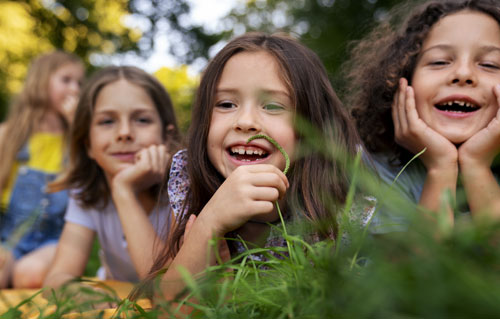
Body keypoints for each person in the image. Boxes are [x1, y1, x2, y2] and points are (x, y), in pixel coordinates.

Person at [145, 32, 375, 301]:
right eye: (226, 104)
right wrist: (208, 225)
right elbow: (167, 309)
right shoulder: (191, 184)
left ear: (314, 127)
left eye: (274, 105)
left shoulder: (340, 206)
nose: (245, 121)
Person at [343, 0, 500, 231]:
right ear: (400, 79)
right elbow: (413, 267)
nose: (463, 73)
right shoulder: (373, 171)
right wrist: (441, 167)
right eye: (439, 61)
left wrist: (476, 165)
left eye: (490, 64)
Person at [43, 66, 181, 296]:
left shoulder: (183, 190)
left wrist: (124, 191)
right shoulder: (87, 194)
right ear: (87, 143)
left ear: (167, 137)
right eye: (107, 122)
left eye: (142, 120)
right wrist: (81, 294)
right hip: (114, 298)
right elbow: (56, 279)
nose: (124, 132)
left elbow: (165, 288)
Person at [0, 51, 84, 288]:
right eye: (66, 80)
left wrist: (79, 129)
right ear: (40, 81)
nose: (75, 89)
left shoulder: (78, 140)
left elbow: (85, 183)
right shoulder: (8, 135)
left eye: (79, 83)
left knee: (30, 274)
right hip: (9, 238)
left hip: (55, 241)